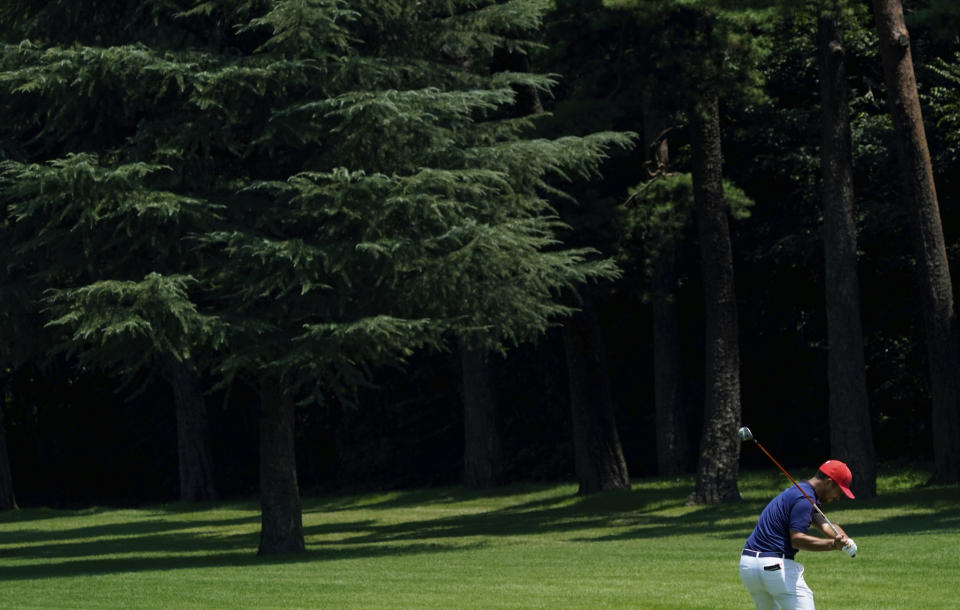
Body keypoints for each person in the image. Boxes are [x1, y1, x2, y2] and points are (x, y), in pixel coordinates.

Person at [739, 460, 855, 610]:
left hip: (748, 565)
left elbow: (825, 524)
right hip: (773, 565)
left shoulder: (802, 492)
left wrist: (846, 540)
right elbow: (797, 540)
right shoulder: (804, 500)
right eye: (839, 491)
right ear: (828, 482)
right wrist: (833, 545)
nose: (838, 497)